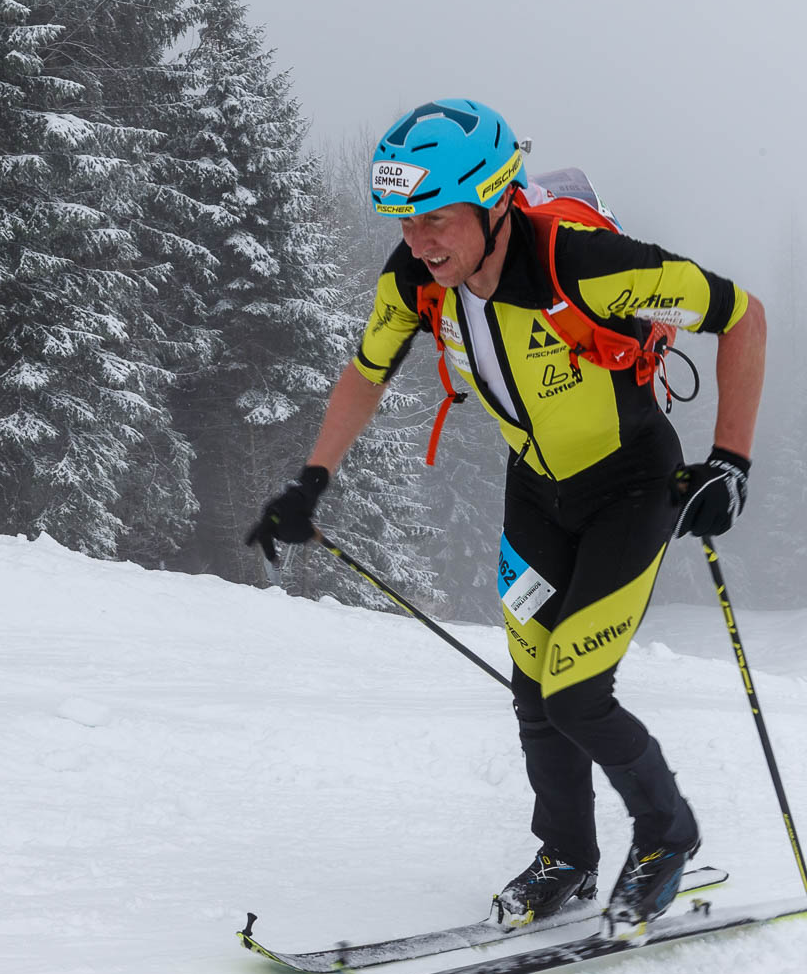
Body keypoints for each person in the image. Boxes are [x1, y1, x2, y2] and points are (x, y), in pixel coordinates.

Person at [245, 99, 767, 929]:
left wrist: (731, 463)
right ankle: (566, 854)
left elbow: (743, 316)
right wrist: (311, 481)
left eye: (438, 221)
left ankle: (668, 834)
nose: (419, 243)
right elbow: (366, 369)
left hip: (633, 486)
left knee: (576, 689)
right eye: (405, 222)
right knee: (534, 689)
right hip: (536, 489)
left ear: (493, 202)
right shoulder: (416, 279)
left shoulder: (588, 264)